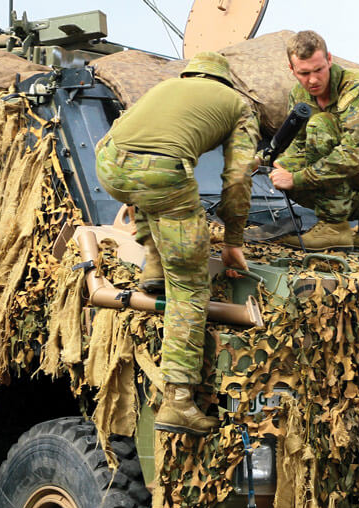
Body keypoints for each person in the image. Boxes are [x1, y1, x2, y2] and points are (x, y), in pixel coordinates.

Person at [96, 51, 258, 436]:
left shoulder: (166, 87)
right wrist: (233, 240)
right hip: (162, 174)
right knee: (189, 286)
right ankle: (179, 402)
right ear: (225, 80)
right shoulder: (238, 105)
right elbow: (237, 179)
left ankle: (154, 266)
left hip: (108, 164)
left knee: (148, 189)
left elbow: (130, 147)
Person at [270, 30, 359, 250]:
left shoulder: (356, 86)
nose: (313, 80)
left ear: (329, 60)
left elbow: (352, 154)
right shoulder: (300, 95)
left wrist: (299, 178)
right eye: (304, 73)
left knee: (320, 127)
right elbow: (299, 146)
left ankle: (334, 227)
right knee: (282, 171)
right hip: (356, 162)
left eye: (318, 69)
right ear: (292, 70)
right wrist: (274, 163)